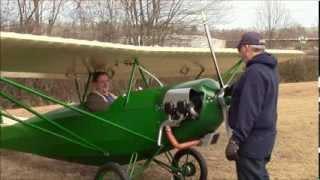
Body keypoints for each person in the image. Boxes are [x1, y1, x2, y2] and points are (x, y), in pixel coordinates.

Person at [225, 32, 279, 180]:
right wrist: (232, 89)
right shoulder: (268, 68)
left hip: (251, 142)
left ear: (247, 47)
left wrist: (236, 140)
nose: (240, 54)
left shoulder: (254, 72)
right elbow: (256, 90)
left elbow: (249, 110)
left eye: (240, 50)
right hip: (264, 138)